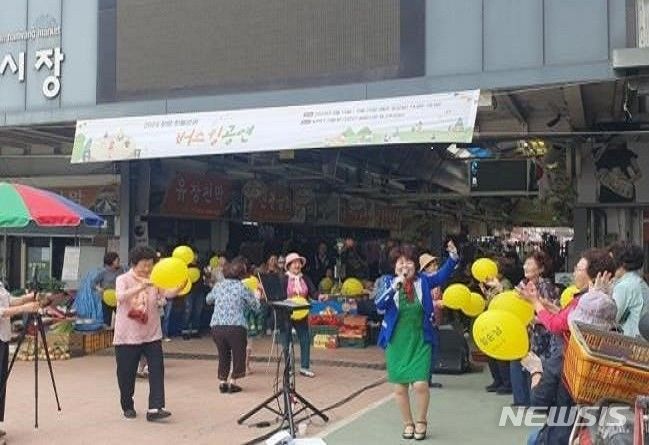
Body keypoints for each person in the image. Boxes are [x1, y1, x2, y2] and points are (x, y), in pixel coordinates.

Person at [522, 257, 618, 445]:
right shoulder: (612, 351)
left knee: (534, 438)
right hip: (593, 430)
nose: (574, 271)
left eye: (578, 268)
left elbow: (538, 401)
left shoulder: (565, 359)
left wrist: (535, 369)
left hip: (562, 432)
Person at [375, 243, 458, 441]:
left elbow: (442, 275)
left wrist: (453, 256)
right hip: (397, 341)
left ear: (416, 265)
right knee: (400, 387)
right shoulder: (388, 282)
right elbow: (379, 304)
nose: (405, 267)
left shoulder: (424, 281)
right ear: (394, 266)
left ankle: (421, 421)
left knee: (421, 384)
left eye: (409, 262)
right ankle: (408, 423)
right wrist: (398, 284)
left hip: (420, 339)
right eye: (400, 263)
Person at [114, 246, 181, 421]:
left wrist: (179, 287)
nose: (147, 269)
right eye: (144, 265)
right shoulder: (123, 279)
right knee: (126, 374)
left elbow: (166, 293)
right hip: (127, 337)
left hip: (152, 334)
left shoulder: (155, 279)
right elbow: (120, 297)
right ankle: (127, 404)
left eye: (150, 265)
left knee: (157, 369)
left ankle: (155, 408)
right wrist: (140, 287)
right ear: (134, 264)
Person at [206, 257, 262, 393]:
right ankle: (233, 381)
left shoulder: (219, 286)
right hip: (236, 326)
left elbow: (208, 300)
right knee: (238, 354)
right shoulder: (243, 287)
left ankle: (222, 381)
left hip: (217, 326)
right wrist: (257, 295)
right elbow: (256, 307)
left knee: (223, 354)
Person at [511, 251, 556, 407]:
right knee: (521, 363)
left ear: (540, 269)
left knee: (537, 365)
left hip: (541, 334)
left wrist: (532, 319)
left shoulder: (545, 286)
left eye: (530, 264)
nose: (525, 266)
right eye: (525, 263)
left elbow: (550, 312)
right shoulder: (522, 285)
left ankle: (536, 401)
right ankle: (521, 400)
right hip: (525, 332)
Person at [0, 282, 40, 438]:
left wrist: (27, 298)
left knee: (2, 381)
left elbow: (8, 301)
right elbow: (1, 311)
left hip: (3, 337)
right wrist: (25, 308)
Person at [279, 252, 318, 378]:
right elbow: (279, 295)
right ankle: (289, 368)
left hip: (302, 313)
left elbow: (313, 292)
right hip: (287, 313)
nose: (297, 265)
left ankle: (305, 367)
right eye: (294, 263)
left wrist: (320, 296)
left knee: (305, 339)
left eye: (299, 263)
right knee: (287, 341)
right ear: (289, 265)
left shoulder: (305, 278)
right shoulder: (283, 279)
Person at [608, 241, 649, 337]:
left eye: (610, 261)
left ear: (622, 263)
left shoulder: (624, 286)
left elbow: (611, 318)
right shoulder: (638, 281)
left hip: (631, 341)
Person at [418, 252, 444, 389]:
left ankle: (428, 378)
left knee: (433, 350)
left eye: (435, 264)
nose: (435, 267)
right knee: (427, 351)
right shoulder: (422, 281)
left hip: (434, 320)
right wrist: (436, 304)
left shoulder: (434, 281)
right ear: (425, 268)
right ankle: (424, 379)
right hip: (426, 321)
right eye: (431, 265)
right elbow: (421, 302)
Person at [93, 251, 124, 327]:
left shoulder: (121, 270)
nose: (119, 261)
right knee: (107, 322)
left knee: (122, 319)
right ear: (112, 261)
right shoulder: (103, 272)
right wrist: (98, 288)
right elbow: (93, 283)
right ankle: (107, 336)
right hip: (106, 299)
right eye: (117, 260)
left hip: (118, 299)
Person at [182, 256, 206, 340]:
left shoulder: (200, 266)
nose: (195, 257)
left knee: (198, 312)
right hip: (189, 292)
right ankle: (185, 331)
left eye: (196, 255)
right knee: (188, 311)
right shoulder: (186, 266)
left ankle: (195, 331)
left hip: (199, 291)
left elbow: (204, 277)